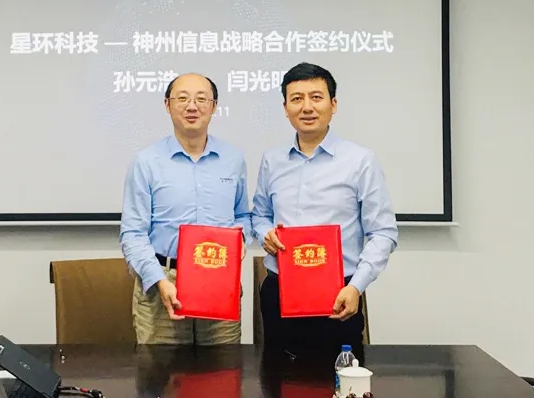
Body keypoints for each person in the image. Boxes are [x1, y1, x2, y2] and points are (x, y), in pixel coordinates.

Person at [251, 62, 399, 359]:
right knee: (278, 376)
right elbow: (260, 214)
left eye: (316, 97)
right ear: (285, 108)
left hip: (339, 293)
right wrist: (264, 232)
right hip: (280, 291)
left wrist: (356, 287)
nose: (307, 107)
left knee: (340, 378)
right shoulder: (272, 160)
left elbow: (383, 233)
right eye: (296, 99)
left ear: (333, 104)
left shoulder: (360, 160)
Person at [120, 73, 252, 345]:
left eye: (201, 99)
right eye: (182, 98)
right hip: (163, 281)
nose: (192, 106)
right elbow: (133, 233)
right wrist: (159, 280)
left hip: (219, 279)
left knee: (222, 367)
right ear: (167, 105)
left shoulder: (233, 159)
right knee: (161, 370)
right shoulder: (146, 162)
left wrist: (240, 239)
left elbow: (242, 216)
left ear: (214, 107)